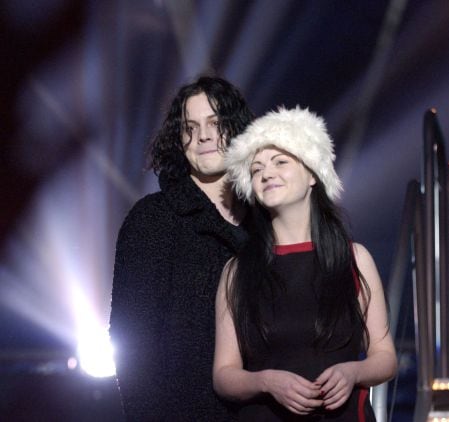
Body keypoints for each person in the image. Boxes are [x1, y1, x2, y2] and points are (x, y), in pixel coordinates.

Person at [213, 106, 397, 421]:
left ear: (312, 173)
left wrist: (352, 372)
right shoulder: (237, 270)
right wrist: (266, 381)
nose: (266, 173)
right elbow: (224, 374)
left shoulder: (353, 258)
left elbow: (385, 358)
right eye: (256, 169)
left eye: (280, 162)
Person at [109, 75, 253, 420]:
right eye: (190, 127)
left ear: (238, 130)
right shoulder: (153, 219)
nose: (203, 136)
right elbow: (133, 339)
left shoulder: (267, 220)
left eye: (215, 123)